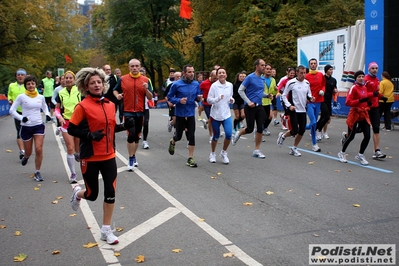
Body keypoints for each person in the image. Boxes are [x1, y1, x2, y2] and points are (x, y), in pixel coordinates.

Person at [68, 67, 129, 245]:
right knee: (92, 194)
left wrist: (124, 126)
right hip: (90, 156)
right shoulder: (82, 106)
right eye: (92, 83)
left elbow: (110, 127)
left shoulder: (110, 105)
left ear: (103, 85)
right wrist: (88, 135)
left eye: (99, 82)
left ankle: (106, 230)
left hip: (109, 155)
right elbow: (71, 128)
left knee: (110, 192)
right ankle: (78, 193)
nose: (96, 85)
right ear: (86, 86)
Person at [113, 59, 153, 171]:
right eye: (132, 66)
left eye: (136, 66)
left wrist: (146, 89)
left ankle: (133, 155)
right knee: (131, 134)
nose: (134, 68)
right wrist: (117, 96)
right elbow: (114, 90)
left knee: (136, 136)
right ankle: (130, 158)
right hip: (127, 111)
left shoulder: (146, 80)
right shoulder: (123, 79)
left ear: (140, 67)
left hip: (140, 111)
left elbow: (150, 97)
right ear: (129, 67)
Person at [9, 75, 51, 181]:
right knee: (28, 151)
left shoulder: (40, 97)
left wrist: (47, 114)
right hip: (26, 127)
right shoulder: (21, 97)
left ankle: (37, 172)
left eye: (32, 83)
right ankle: (26, 157)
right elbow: (12, 111)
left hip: (38, 125)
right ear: (25, 86)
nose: (31, 85)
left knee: (39, 149)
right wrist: (21, 118)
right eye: (28, 84)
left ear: (35, 85)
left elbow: (45, 107)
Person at [167, 64, 203, 167]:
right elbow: (169, 97)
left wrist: (199, 98)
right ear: (184, 73)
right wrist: (179, 100)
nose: (192, 74)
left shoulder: (196, 84)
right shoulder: (176, 84)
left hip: (191, 113)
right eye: (189, 72)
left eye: (193, 72)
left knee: (191, 136)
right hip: (180, 114)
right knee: (178, 136)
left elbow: (197, 97)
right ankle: (173, 141)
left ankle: (190, 158)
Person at [232, 59, 267, 159]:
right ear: (256, 66)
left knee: (260, 128)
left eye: (264, 65)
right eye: (262, 65)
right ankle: (238, 133)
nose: (264, 67)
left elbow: (260, 93)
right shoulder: (250, 77)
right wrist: (248, 102)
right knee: (250, 129)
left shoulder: (262, 79)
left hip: (259, 106)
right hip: (249, 107)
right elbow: (240, 90)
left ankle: (256, 150)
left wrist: (267, 96)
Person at [277, 65, 314, 156]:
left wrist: (311, 98)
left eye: (304, 73)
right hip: (294, 110)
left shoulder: (307, 83)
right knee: (295, 131)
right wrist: (289, 106)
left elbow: (309, 94)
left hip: (303, 110)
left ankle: (294, 148)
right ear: (297, 73)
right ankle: (283, 136)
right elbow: (284, 95)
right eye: (301, 73)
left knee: (302, 130)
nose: (303, 75)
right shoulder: (291, 83)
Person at [338, 71, 371, 165]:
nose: (361, 78)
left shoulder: (364, 87)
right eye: (359, 76)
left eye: (362, 76)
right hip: (355, 114)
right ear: (356, 78)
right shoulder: (353, 88)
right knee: (351, 136)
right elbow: (348, 102)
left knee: (367, 136)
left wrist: (368, 104)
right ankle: (342, 153)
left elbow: (365, 100)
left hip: (363, 113)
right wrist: (359, 101)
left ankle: (360, 154)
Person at [55, 71, 81, 183]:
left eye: (71, 78)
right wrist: (59, 117)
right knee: (70, 148)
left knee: (78, 150)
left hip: (78, 123)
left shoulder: (80, 91)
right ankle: (73, 174)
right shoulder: (61, 93)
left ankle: (77, 154)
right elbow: (56, 108)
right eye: (67, 78)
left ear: (74, 80)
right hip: (66, 123)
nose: (69, 80)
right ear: (63, 80)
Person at [207, 67, 234, 164]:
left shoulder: (230, 85)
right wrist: (218, 98)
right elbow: (209, 100)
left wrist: (232, 100)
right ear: (217, 75)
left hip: (226, 114)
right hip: (215, 115)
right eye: (220, 73)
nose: (222, 74)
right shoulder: (214, 86)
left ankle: (224, 153)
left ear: (226, 75)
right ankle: (213, 153)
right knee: (216, 135)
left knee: (229, 134)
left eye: (223, 73)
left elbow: (230, 96)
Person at [364, 62, 386, 159]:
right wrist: (373, 95)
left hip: (375, 107)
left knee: (376, 128)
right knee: (360, 129)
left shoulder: (377, 80)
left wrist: (382, 97)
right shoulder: (365, 80)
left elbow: (376, 93)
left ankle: (377, 151)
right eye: (373, 68)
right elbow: (363, 94)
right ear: (369, 69)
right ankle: (346, 136)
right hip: (365, 107)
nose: (375, 70)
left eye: (376, 68)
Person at [305, 58, 325, 152]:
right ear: (309, 65)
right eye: (311, 63)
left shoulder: (321, 75)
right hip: (309, 102)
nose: (313, 65)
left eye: (314, 63)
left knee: (314, 123)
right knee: (313, 122)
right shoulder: (307, 76)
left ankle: (314, 144)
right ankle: (314, 143)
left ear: (316, 65)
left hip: (319, 101)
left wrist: (323, 90)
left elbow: (324, 85)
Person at [7, 68, 27, 160]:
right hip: (17, 112)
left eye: (22, 75)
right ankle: (22, 151)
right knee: (19, 131)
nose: (20, 76)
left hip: (27, 112)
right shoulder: (12, 85)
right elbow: (9, 94)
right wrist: (10, 99)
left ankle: (27, 148)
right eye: (18, 75)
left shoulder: (28, 85)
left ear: (25, 76)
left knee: (27, 132)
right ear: (16, 76)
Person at [315, 64, 338, 140]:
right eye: (329, 69)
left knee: (324, 118)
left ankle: (315, 129)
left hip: (329, 100)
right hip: (322, 100)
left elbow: (334, 89)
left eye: (332, 69)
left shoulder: (333, 80)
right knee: (326, 116)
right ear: (326, 70)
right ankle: (319, 131)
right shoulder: (322, 78)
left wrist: (335, 91)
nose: (331, 71)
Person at [260, 64, 278, 137]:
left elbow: (273, 93)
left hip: (268, 101)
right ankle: (259, 132)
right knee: (262, 118)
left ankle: (264, 128)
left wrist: (275, 90)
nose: (269, 70)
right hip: (261, 101)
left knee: (270, 117)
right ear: (264, 70)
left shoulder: (273, 80)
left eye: (270, 69)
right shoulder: (260, 79)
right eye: (267, 69)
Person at [139, 67, 155, 149]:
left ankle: (145, 141)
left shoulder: (147, 80)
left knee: (146, 123)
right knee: (137, 124)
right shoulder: (134, 80)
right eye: (140, 73)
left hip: (145, 106)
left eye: (143, 73)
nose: (142, 75)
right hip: (136, 107)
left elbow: (151, 92)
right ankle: (137, 134)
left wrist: (147, 89)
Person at [200, 70, 218, 143]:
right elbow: (199, 91)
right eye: (215, 78)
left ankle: (206, 122)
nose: (216, 80)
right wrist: (201, 97)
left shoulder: (217, 83)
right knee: (211, 119)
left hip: (216, 103)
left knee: (216, 119)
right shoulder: (204, 83)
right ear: (211, 76)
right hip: (207, 104)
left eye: (217, 78)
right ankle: (211, 135)